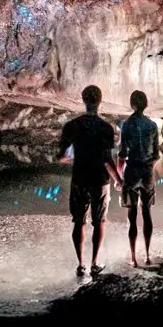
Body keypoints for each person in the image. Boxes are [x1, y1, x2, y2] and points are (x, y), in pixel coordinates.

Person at [58, 85, 122, 276]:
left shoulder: (72, 126)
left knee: (79, 222)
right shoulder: (105, 128)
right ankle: (94, 263)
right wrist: (119, 180)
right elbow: (107, 159)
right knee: (99, 221)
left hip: (80, 177)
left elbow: (62, 155)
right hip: (100, 180)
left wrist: (73, 156)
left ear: (83, 100)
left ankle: (80, 265)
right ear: (100, 101)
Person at [117, 89, 160, 267]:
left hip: (132, 170)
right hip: (147, 171)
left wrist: (120, 178)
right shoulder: (152, 126)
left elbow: (122, 154)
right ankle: (148, 255)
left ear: (132, 104)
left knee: (132, 214)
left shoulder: (126, 124)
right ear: (145, 104)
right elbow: (156, 154)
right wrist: (149, 166)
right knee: (147, 213)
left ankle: (133, 258)